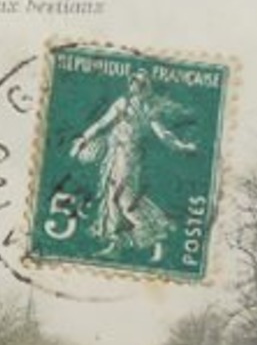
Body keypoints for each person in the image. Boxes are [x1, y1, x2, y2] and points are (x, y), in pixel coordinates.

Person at [69, 70, 199, 257]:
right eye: (133, 83)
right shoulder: (123, 103)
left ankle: (151, 232)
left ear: (145, 87)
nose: (134, 86)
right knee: (113, 197)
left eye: (138, 84)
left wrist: (182, 146)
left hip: (128, 158)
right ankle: (122, 241)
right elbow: (102, 123)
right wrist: (83, 138)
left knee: (123, 200)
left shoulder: (148, 110)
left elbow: (163, 134)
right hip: (116, 155)